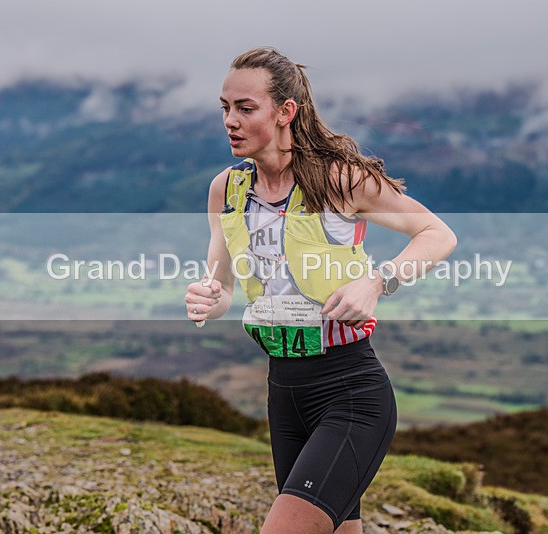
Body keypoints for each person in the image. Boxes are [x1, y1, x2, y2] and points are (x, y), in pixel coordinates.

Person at [185, 48, 457, 534]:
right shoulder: (225, 189)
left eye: (246, 108)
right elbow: (223, 286)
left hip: (350, 391)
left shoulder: (339, 179)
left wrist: (379, 280)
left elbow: (438, 235)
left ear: (285, 111)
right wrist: (209, 297)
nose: (230, 120)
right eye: (224, 107)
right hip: (283, 393)